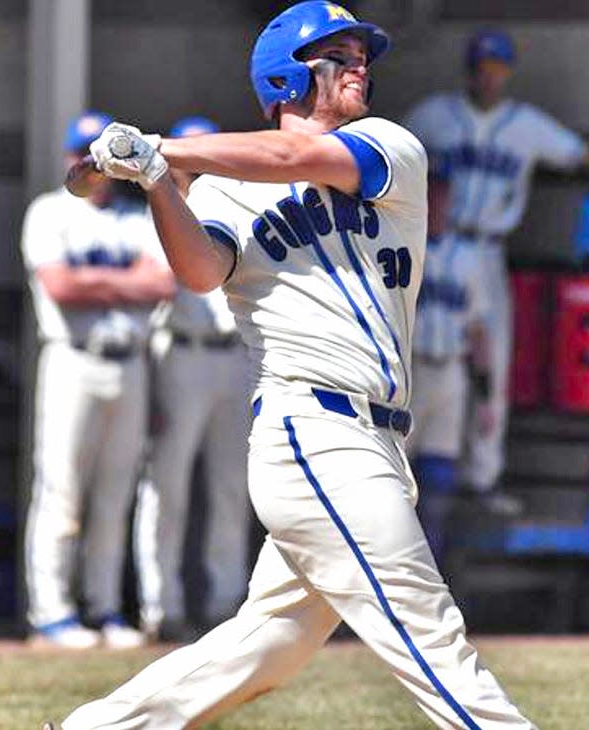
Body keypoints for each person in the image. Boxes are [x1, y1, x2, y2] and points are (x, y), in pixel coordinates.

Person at [48, 3, 536, 728]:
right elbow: (201, 271)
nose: (361, 65)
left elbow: (290, 159)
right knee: (431, 632)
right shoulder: (220, 191)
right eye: (338, 54)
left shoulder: (389, 145)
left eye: (360, 53)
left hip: (376, 436)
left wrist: (163, 151)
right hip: (311, 429)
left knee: (265, 645)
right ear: (287, 77)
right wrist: (156, 182)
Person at [403, 29, 589, 514]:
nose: (489, 79)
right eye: (483, 69)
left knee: (494, 361)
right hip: (428, 238)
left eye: (497, 70)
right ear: (469, 70)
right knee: (412, 352)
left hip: (485, 249)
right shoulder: (432, 115)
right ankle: (395, 478)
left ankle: (482, 477)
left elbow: (576, 153)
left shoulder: (525, 124)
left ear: (506, 74)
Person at [22, 111, 175, 650]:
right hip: (72, 359)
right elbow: (61, 287)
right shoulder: (49, 211)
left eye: (99, 157)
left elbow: (163, 283)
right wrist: (125, 282)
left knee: (115, 494)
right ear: (70, 159)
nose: (93, 166)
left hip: (129, 362)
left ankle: (105, 607)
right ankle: (52, 612)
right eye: (83, 155)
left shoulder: (136, 219)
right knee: (62, 490)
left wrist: (102, 283)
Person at [133, 115, 251, 643]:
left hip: (234, 357)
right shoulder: (151, 216)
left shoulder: (234, 207)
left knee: (232, 486)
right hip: (179, 354)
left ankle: (227, 603)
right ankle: (162, 605)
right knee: (168, 485)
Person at [406, 176, 493, 571]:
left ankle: (431, 577)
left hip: (450, 372)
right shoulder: (404, 245)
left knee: (439, 482)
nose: (437, 205)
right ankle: (392, 577)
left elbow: (478, 329)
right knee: (393, 481)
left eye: (442, 198)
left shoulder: (469, 257)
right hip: (410, 370)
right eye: (431, 198)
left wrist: (487, 398)